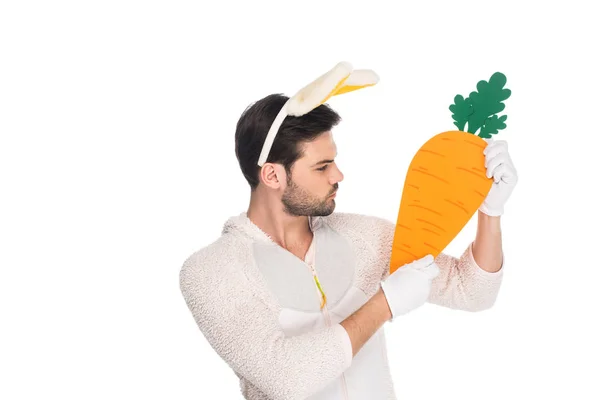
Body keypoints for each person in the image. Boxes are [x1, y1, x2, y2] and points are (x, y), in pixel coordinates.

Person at [179, 93, 517, 400]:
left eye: (334, 161)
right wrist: (386, 302)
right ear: (272, 176)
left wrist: (489, 211)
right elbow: (286, 378)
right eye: (322, 167)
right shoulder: (212, 272)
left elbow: (472, 291)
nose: (338, 175)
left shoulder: (365, 237)